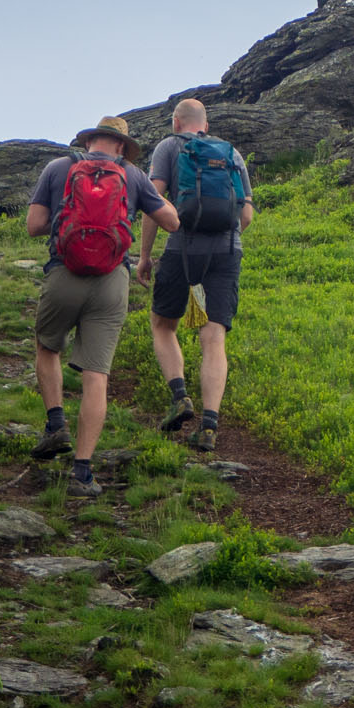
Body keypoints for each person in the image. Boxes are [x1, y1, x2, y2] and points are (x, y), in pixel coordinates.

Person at [25, 116, 179, 496]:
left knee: (48, 347)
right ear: (122, 146)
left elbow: (33, 224)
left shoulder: (58, 167)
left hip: (63, 273)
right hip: (112, 279)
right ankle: (82, 471)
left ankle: (55, 423)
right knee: (97, 375)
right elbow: (172, 222)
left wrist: (70, 223)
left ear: (91, 140)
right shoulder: (135, 176)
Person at [137, 98, 255, 453]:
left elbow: (153, 203)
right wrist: (225, 239)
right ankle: (209, 426)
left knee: (163, 324)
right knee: (213, 337)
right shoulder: (231, 153)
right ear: (206, 123)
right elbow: (246, 215)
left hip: (182, 250)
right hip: (226, 251)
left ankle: (180, 396)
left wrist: (145, 256)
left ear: (177, 122)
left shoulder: (169, 147)